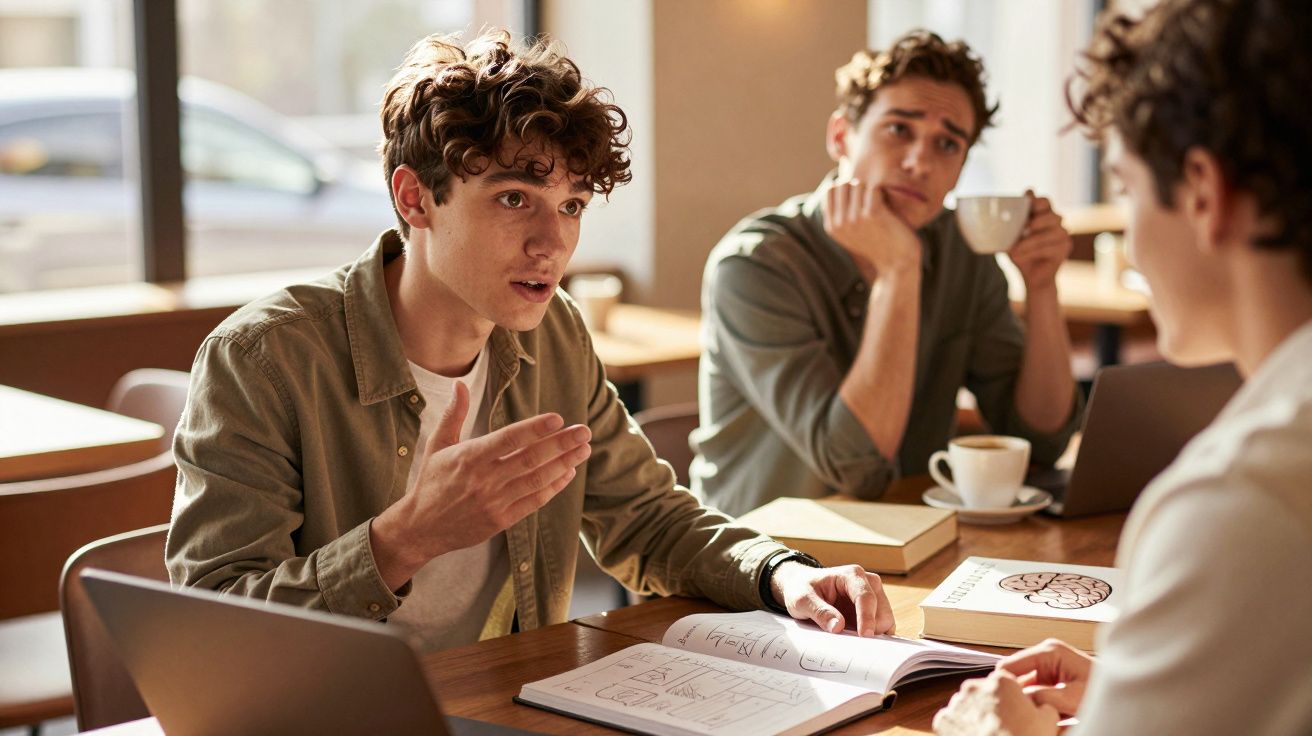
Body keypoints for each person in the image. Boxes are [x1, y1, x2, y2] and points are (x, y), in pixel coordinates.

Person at [165, 29, 897, 654]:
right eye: (514, 198)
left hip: (506, 699)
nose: (553, 243)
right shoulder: (263, 359)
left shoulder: (555, 332)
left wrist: (781, 575)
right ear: (414, 198)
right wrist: (405, 539)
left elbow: (645, 517)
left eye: (571, 205)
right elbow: (215, 631)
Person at [933, 1, 1312, 734]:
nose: (1130, 240)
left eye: (1127, 189)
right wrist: (1146, 683)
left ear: (1203, 192)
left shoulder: (1237, 502)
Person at [692, 30, 1083, 517]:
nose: (920, 162)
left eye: (947, 144)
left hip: (916, 537)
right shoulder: (754, 266)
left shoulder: (964, 254)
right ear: (841, 136)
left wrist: (1042, 287)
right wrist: (899, 270)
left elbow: (1042, 442)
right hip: (765, 549)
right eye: (899, 129)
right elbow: (857, 466)